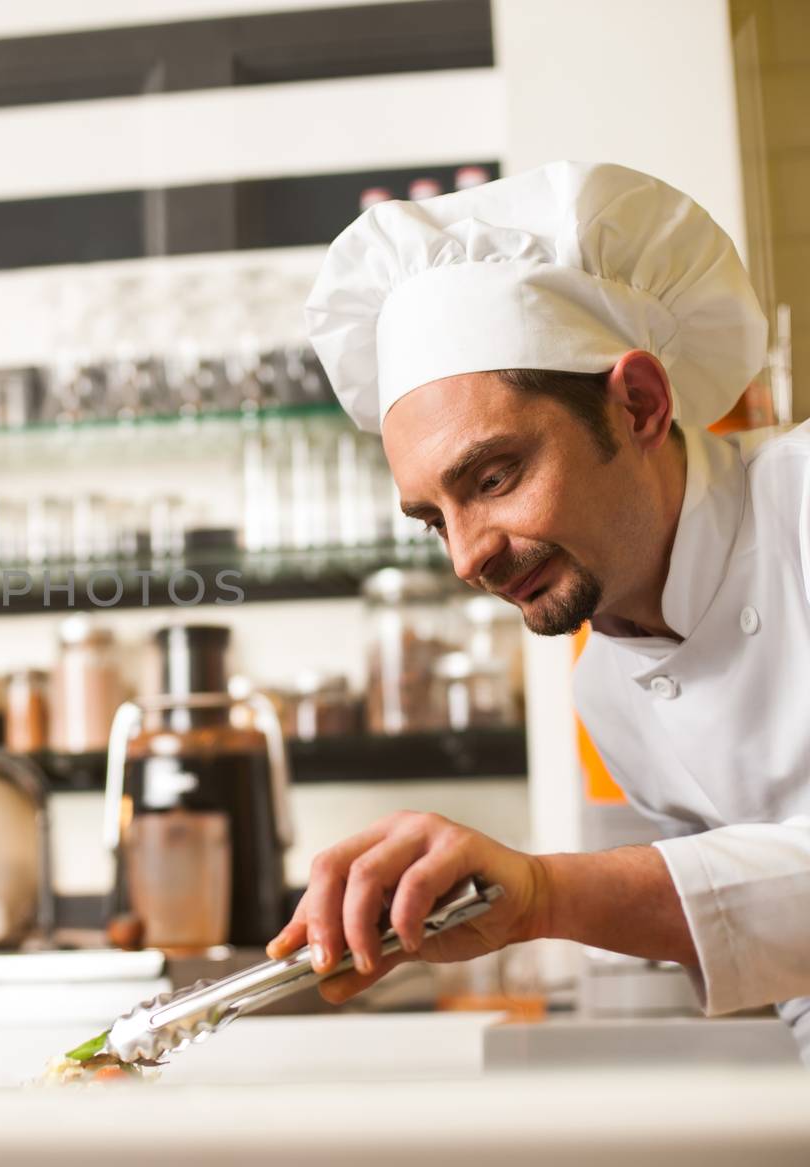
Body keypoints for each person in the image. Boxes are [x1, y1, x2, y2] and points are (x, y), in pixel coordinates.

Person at [282, 160, 809, 1060]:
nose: (466, 555)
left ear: (639, 405)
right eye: (431, 520)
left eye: (493, 478)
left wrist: (543, 894)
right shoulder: (608, 689)